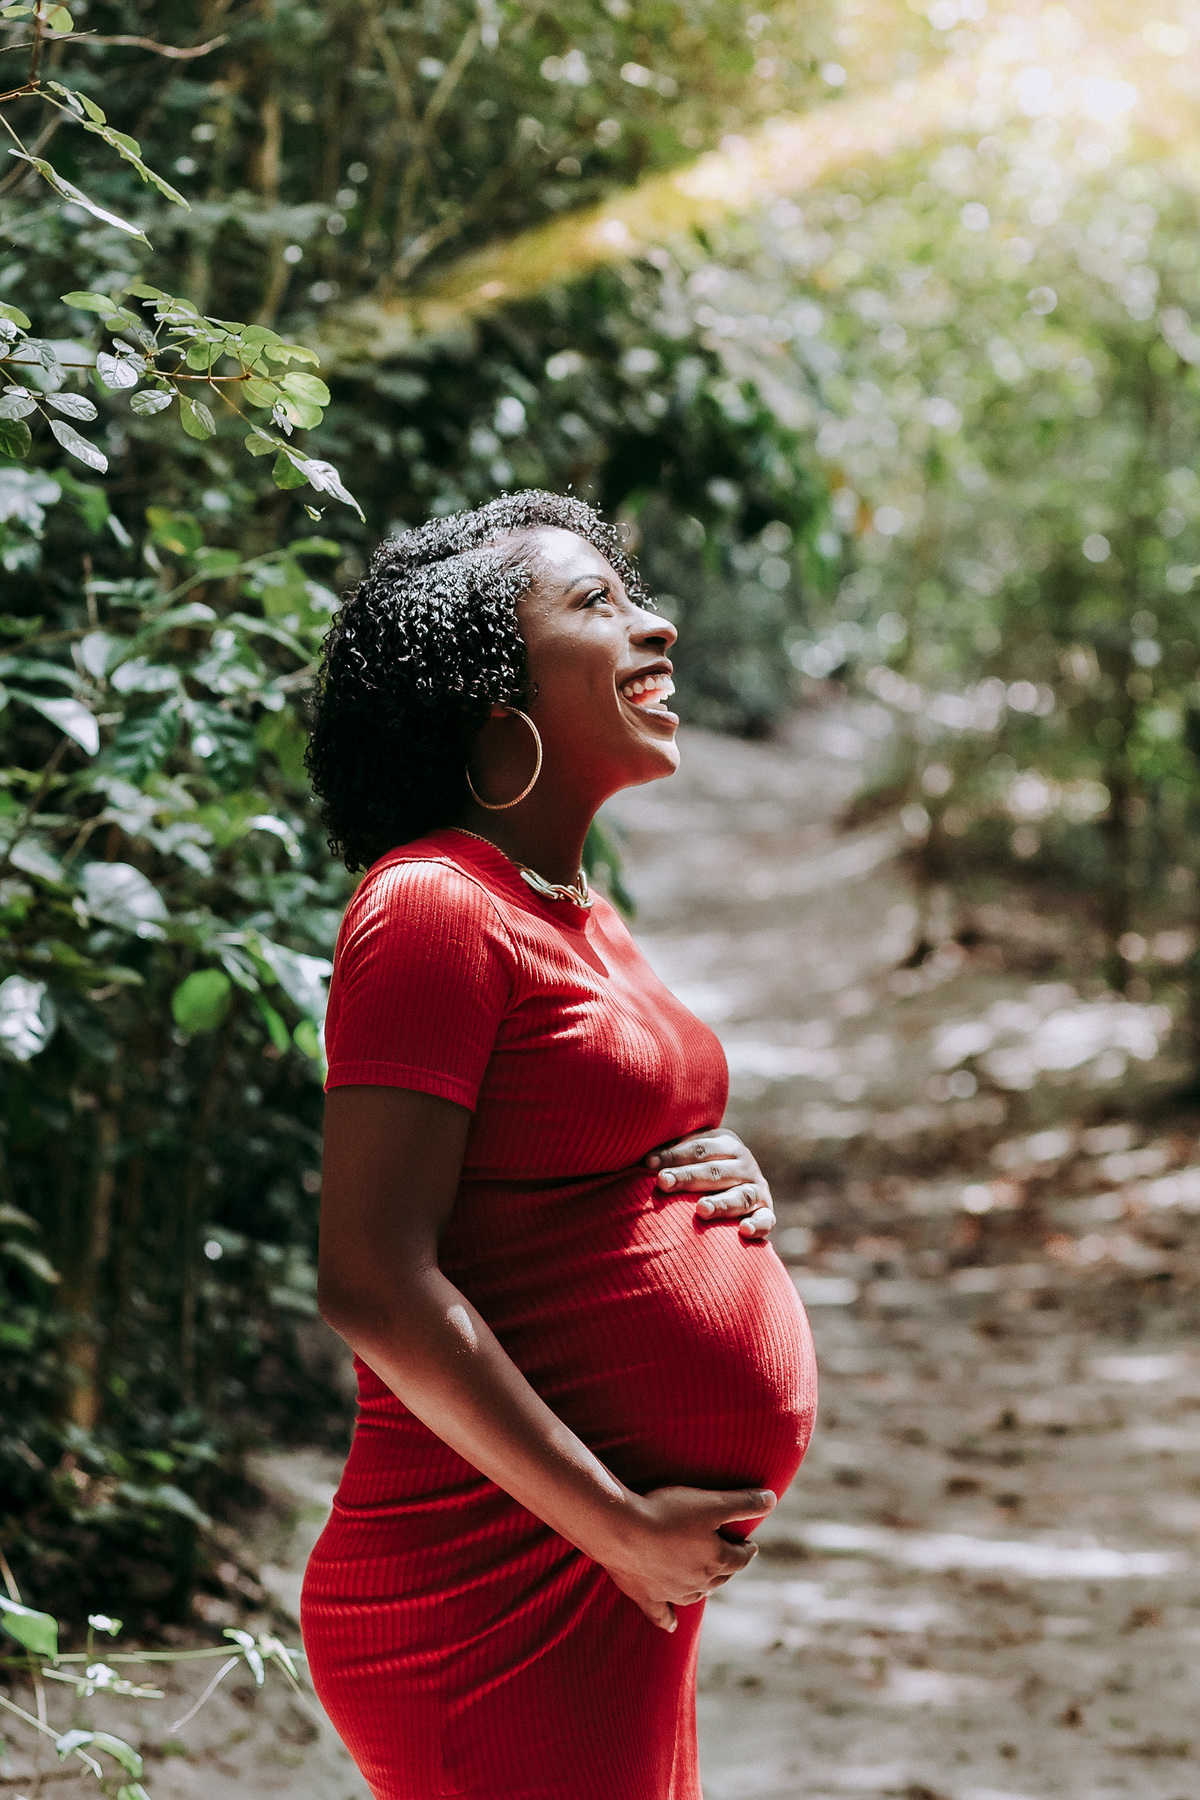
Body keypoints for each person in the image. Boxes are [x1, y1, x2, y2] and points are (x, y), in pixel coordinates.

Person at [300, 491, 817, 1800]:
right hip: (491, 1581)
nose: (661, 626)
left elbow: (570, 1155)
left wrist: (723, 1177)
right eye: (598, 604)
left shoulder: (574, 911)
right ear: (493, 704)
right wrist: (622, 1529)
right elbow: (370, 1276)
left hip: (602, 1575)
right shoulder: (429, 906)